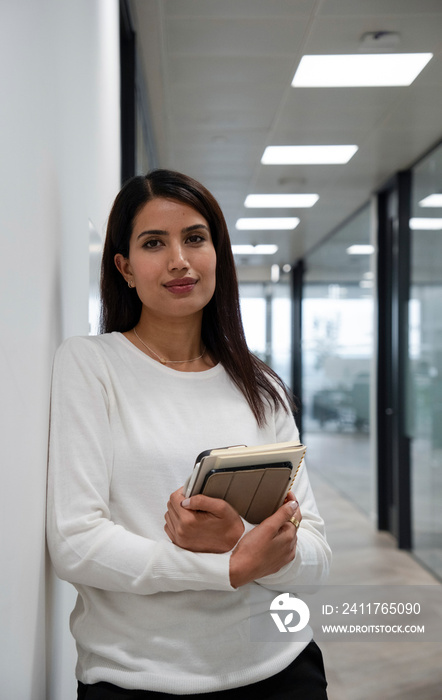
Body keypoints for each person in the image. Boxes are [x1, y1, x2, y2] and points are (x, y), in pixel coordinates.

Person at [47, 169, 332, 699]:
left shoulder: (259, 383)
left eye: (195, 238)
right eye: (154, 243)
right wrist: (231, 564)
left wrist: (238, 545)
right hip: (138, 677)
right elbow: (77, 543)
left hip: (283, 668)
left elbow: (316, 554)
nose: (179, 259)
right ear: (125, 268)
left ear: (216, 255)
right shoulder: (92, 365)